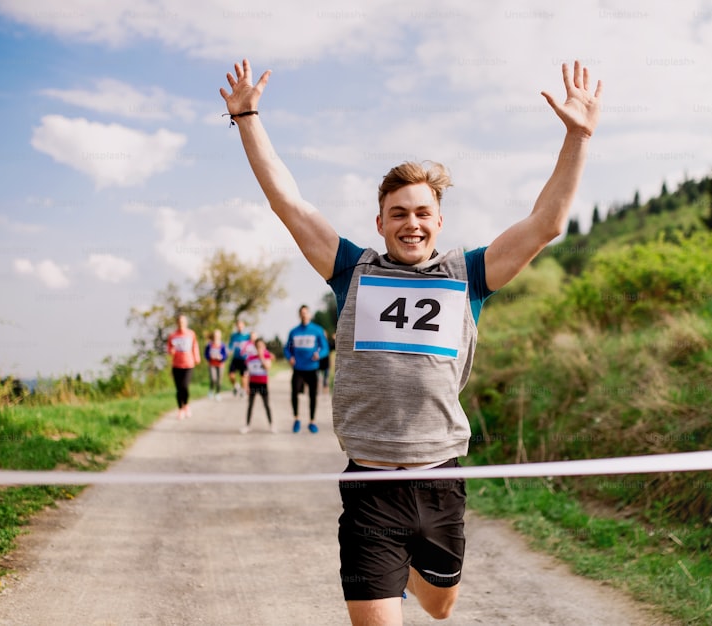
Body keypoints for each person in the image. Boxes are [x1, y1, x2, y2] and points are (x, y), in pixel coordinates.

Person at [220, 57, 601, 625]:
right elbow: (289, 204)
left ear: (440, 221)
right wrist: (248, 116)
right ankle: (387, 574)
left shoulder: (468, 275)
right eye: (398, 214)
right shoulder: (352, 269)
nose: (411, 223)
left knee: (440, 607)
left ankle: (413, 577)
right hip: (371, 487)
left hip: (440, 479)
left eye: (423, 212)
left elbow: (546, 223)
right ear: (380, 223)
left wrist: (578, 136)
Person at [283, 305, 330, 433]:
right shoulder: (294, 331)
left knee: (313, 395)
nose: (304, 315)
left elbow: (325, 348)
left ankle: (312, 421)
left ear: (309, 314)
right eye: (302, 313)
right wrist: (290, 357)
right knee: (294, 393)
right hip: (298, 368)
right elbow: (286, 348)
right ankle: (297, 419)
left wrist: (319, 355)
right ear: (299, 315)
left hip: (312, 368)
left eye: (306, 313)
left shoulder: (317, 330)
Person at [167, 314, 201, 420]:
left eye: (183, 322)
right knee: (178, 389)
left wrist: (197, 357)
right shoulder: (173, 335)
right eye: (179, 322)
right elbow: (169, 348)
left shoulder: (191, 334)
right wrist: (171, 351)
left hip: (188, 364)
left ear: (186, 323)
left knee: (185, 387)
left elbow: (195, 345)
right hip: (176, 365)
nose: (181, 324)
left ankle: (186, 404)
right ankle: (180, 409)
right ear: (177, 323)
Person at [240, 337, 274, 433]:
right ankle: (247, 425)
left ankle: (271, 425)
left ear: (264, 346)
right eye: (258, 346)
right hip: (253, 384)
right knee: (250, 405)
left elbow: (268, 367)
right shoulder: (250, 358)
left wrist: (262, 357)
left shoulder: (267, 356)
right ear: (255, 347)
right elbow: (246, 374)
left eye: (261, 346)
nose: (259, 348)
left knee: (266, 405)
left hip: (263, 384)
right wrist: (246, 386)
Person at [227, 319, 253, 397]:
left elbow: (252, 344)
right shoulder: (233, 336)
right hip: (235, 358)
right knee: (231, 375)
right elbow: (230, 346)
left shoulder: (247, 336)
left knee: (243, 377)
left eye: (241, 326)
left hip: (245, 359)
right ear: (236, 326)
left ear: (243, 326)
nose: (239, 327)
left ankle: (243, 390)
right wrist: (228, 352)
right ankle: (236, 386)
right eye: (238, 326)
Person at [204, 329, 228, 401]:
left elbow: (225, 355)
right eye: (215, 335)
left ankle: (218, 393)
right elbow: (206, 354)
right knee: (213, 379)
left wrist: (221, 357)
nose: (216, 337)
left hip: (220, 365)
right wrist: (209, 357)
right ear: (213, 336)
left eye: (218, 335)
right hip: (212, 364)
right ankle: (211, 390)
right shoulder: (209, 344)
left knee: (219, 381)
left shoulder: (222, 345)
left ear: (220, 336)